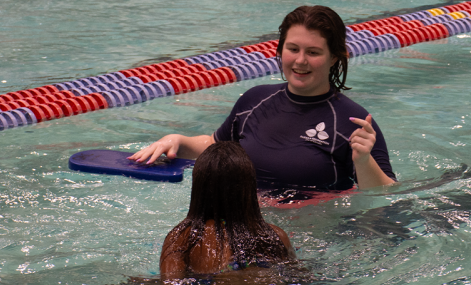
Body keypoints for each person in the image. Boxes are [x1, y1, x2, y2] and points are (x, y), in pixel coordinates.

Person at [129, 5, 397, 191]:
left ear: (335, 57)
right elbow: (216, 145)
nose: (300, 60)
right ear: (280, 50)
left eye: (313, 52)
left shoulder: (353, 123)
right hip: (247, 226)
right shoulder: (255, 101)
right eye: (293, 49)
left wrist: (363, 161)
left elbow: (386, 194)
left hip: (313, 240)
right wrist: (176, 140)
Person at [159, 141, 296, 285]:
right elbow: (297, 279)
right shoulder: (276, 236)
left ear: (199, 188)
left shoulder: (182, 238)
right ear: (249, 188)